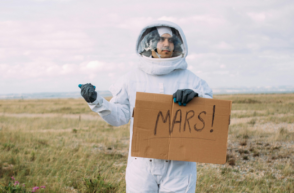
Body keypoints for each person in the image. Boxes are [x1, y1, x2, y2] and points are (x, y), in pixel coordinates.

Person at [79, 20, 212, 193]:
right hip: (141, 164)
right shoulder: (132, 78)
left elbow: (211, 117)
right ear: (149, 42)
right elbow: (119, 116)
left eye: (171, 40)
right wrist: (96, 101)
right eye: (161, 39)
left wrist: (198, 99)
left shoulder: (192, 80)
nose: (166, 44)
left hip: (180, 165)